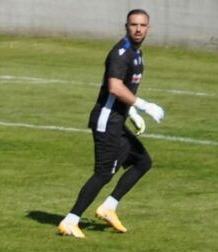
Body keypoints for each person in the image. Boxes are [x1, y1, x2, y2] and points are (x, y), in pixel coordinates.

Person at [57, 9, 165, 238]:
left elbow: (123, 89)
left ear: (148, 28)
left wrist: (131, 112)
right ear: (126, 26)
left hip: (117, 119)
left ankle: (108, 207)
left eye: (142, 25)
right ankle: (70, 220)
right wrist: (144, 105)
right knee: (103, 174)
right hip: (106, 121)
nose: (138, 29)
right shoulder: (121, 53)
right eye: (134, 25)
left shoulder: (136, 53)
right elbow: (115, 87)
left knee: (142, 161)